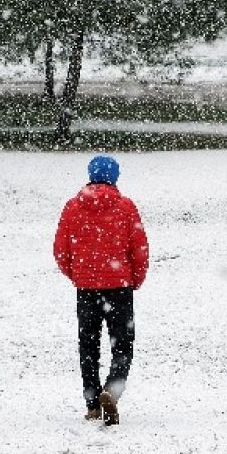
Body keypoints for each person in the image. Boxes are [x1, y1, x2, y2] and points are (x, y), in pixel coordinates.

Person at [53, 155, 149, 427]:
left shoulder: (72, 207)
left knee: (88, 346)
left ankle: (93, 403)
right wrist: (135, 279)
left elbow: (61, 250)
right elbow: (139, 248)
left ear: (91, 175)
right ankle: (112, 391)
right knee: (123, 345)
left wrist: (77, 275)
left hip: (86, 288)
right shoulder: (126, 207)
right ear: (114, 177)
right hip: (119, 288)